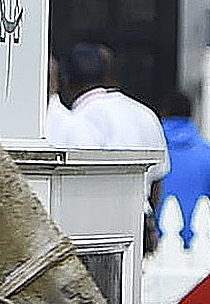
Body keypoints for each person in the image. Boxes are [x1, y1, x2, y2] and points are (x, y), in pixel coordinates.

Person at [52, 43, 169, 201]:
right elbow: (158, 177)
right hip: (142, 216)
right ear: (105, 76)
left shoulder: (77, 120)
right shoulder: (146, 113)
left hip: (99, 218)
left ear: (64, 81)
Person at [157, 86, 210, 231]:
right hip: (200, 240)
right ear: (191, 114)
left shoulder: (152, 153)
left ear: (163, 113)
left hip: (155, 244)